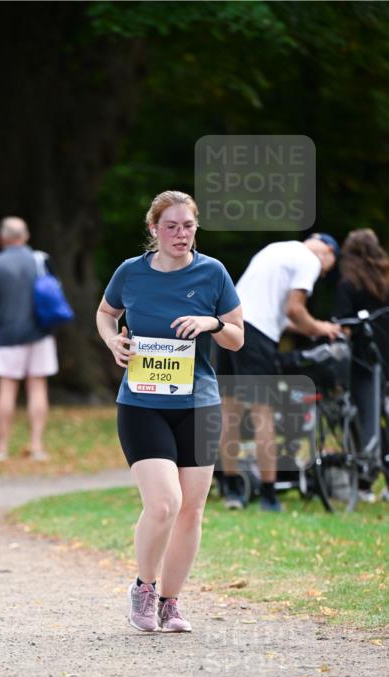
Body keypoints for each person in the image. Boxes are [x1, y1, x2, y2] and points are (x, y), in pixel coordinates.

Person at [97, 190, 243, 634]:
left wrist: (211, 323)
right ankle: (143, 586)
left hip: (198, 403)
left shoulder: (213, 272)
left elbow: (237, 336)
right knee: (164, 504)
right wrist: (112, 340)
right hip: (142, 403)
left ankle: (170, 602)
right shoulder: (131, 273)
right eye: (172, 226)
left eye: (189, 226)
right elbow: (105, 313)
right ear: (154, 229)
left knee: (191, 511)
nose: (182, 234)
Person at [217, 233, 342, 511]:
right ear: (327, 252)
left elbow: (282, 317)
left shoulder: (276, 250)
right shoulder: (310, 260)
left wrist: (313, 325)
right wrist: (321, 329)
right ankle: (269, 496)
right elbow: (294, 309)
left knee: (230, 412)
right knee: (263, 412)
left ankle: (233, 490)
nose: (322, 274)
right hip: (256, 336)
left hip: (227, 327)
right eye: (327, 270)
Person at [0, 216, 58, 461]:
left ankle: (2, 447)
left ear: (3, 238)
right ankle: (37, 446)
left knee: (7, 390)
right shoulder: (40, 260)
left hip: (7, 334)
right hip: (40, 333)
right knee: (38, 387)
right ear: (26, 236)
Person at [334, 228, 389, 502]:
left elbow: (342, 325)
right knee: (384, 416)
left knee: (365, 418)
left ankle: (365, 481)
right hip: (386, 356)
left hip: (363, 361)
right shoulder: (385, 280)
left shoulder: (349, 284)